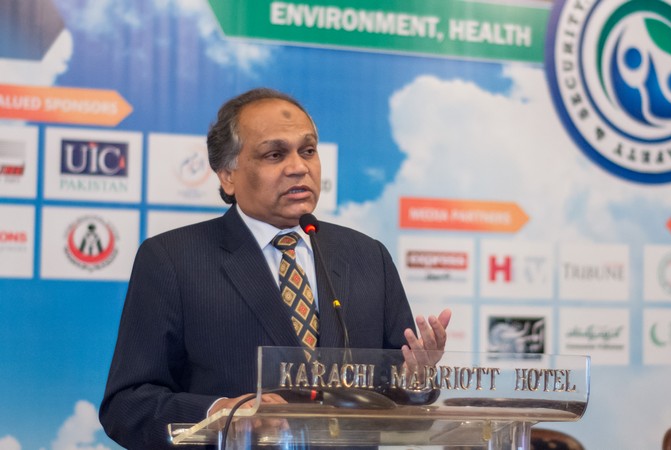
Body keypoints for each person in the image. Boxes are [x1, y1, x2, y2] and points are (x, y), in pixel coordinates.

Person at [99, 88, 451, 449]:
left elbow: (401, 401)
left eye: (308, 150)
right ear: (228, 175)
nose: (298, 167)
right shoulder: (174, 259)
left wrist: (415, 378)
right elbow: (127, 406)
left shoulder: (367, 256)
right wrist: (222, 413)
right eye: (275, 154)